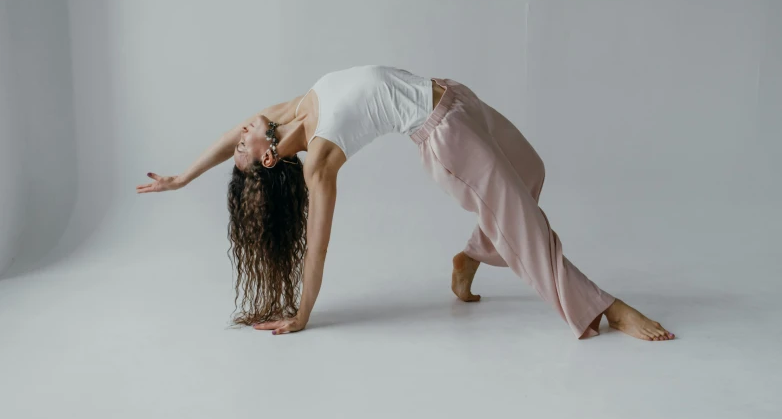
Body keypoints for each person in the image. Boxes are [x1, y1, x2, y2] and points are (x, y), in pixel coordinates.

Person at [136, 65, 675, 341]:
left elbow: (234, 127)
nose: (240, 133)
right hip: (446, 137)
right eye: (241, 148)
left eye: (238, 143)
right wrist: (302, 315)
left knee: (531, 171)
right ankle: (602, 307)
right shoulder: (321, 158)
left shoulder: (289, 110)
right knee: (524, 223)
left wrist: (183, 177)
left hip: (454, 96)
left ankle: (473, 256)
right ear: (269, 159)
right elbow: (318, 251)